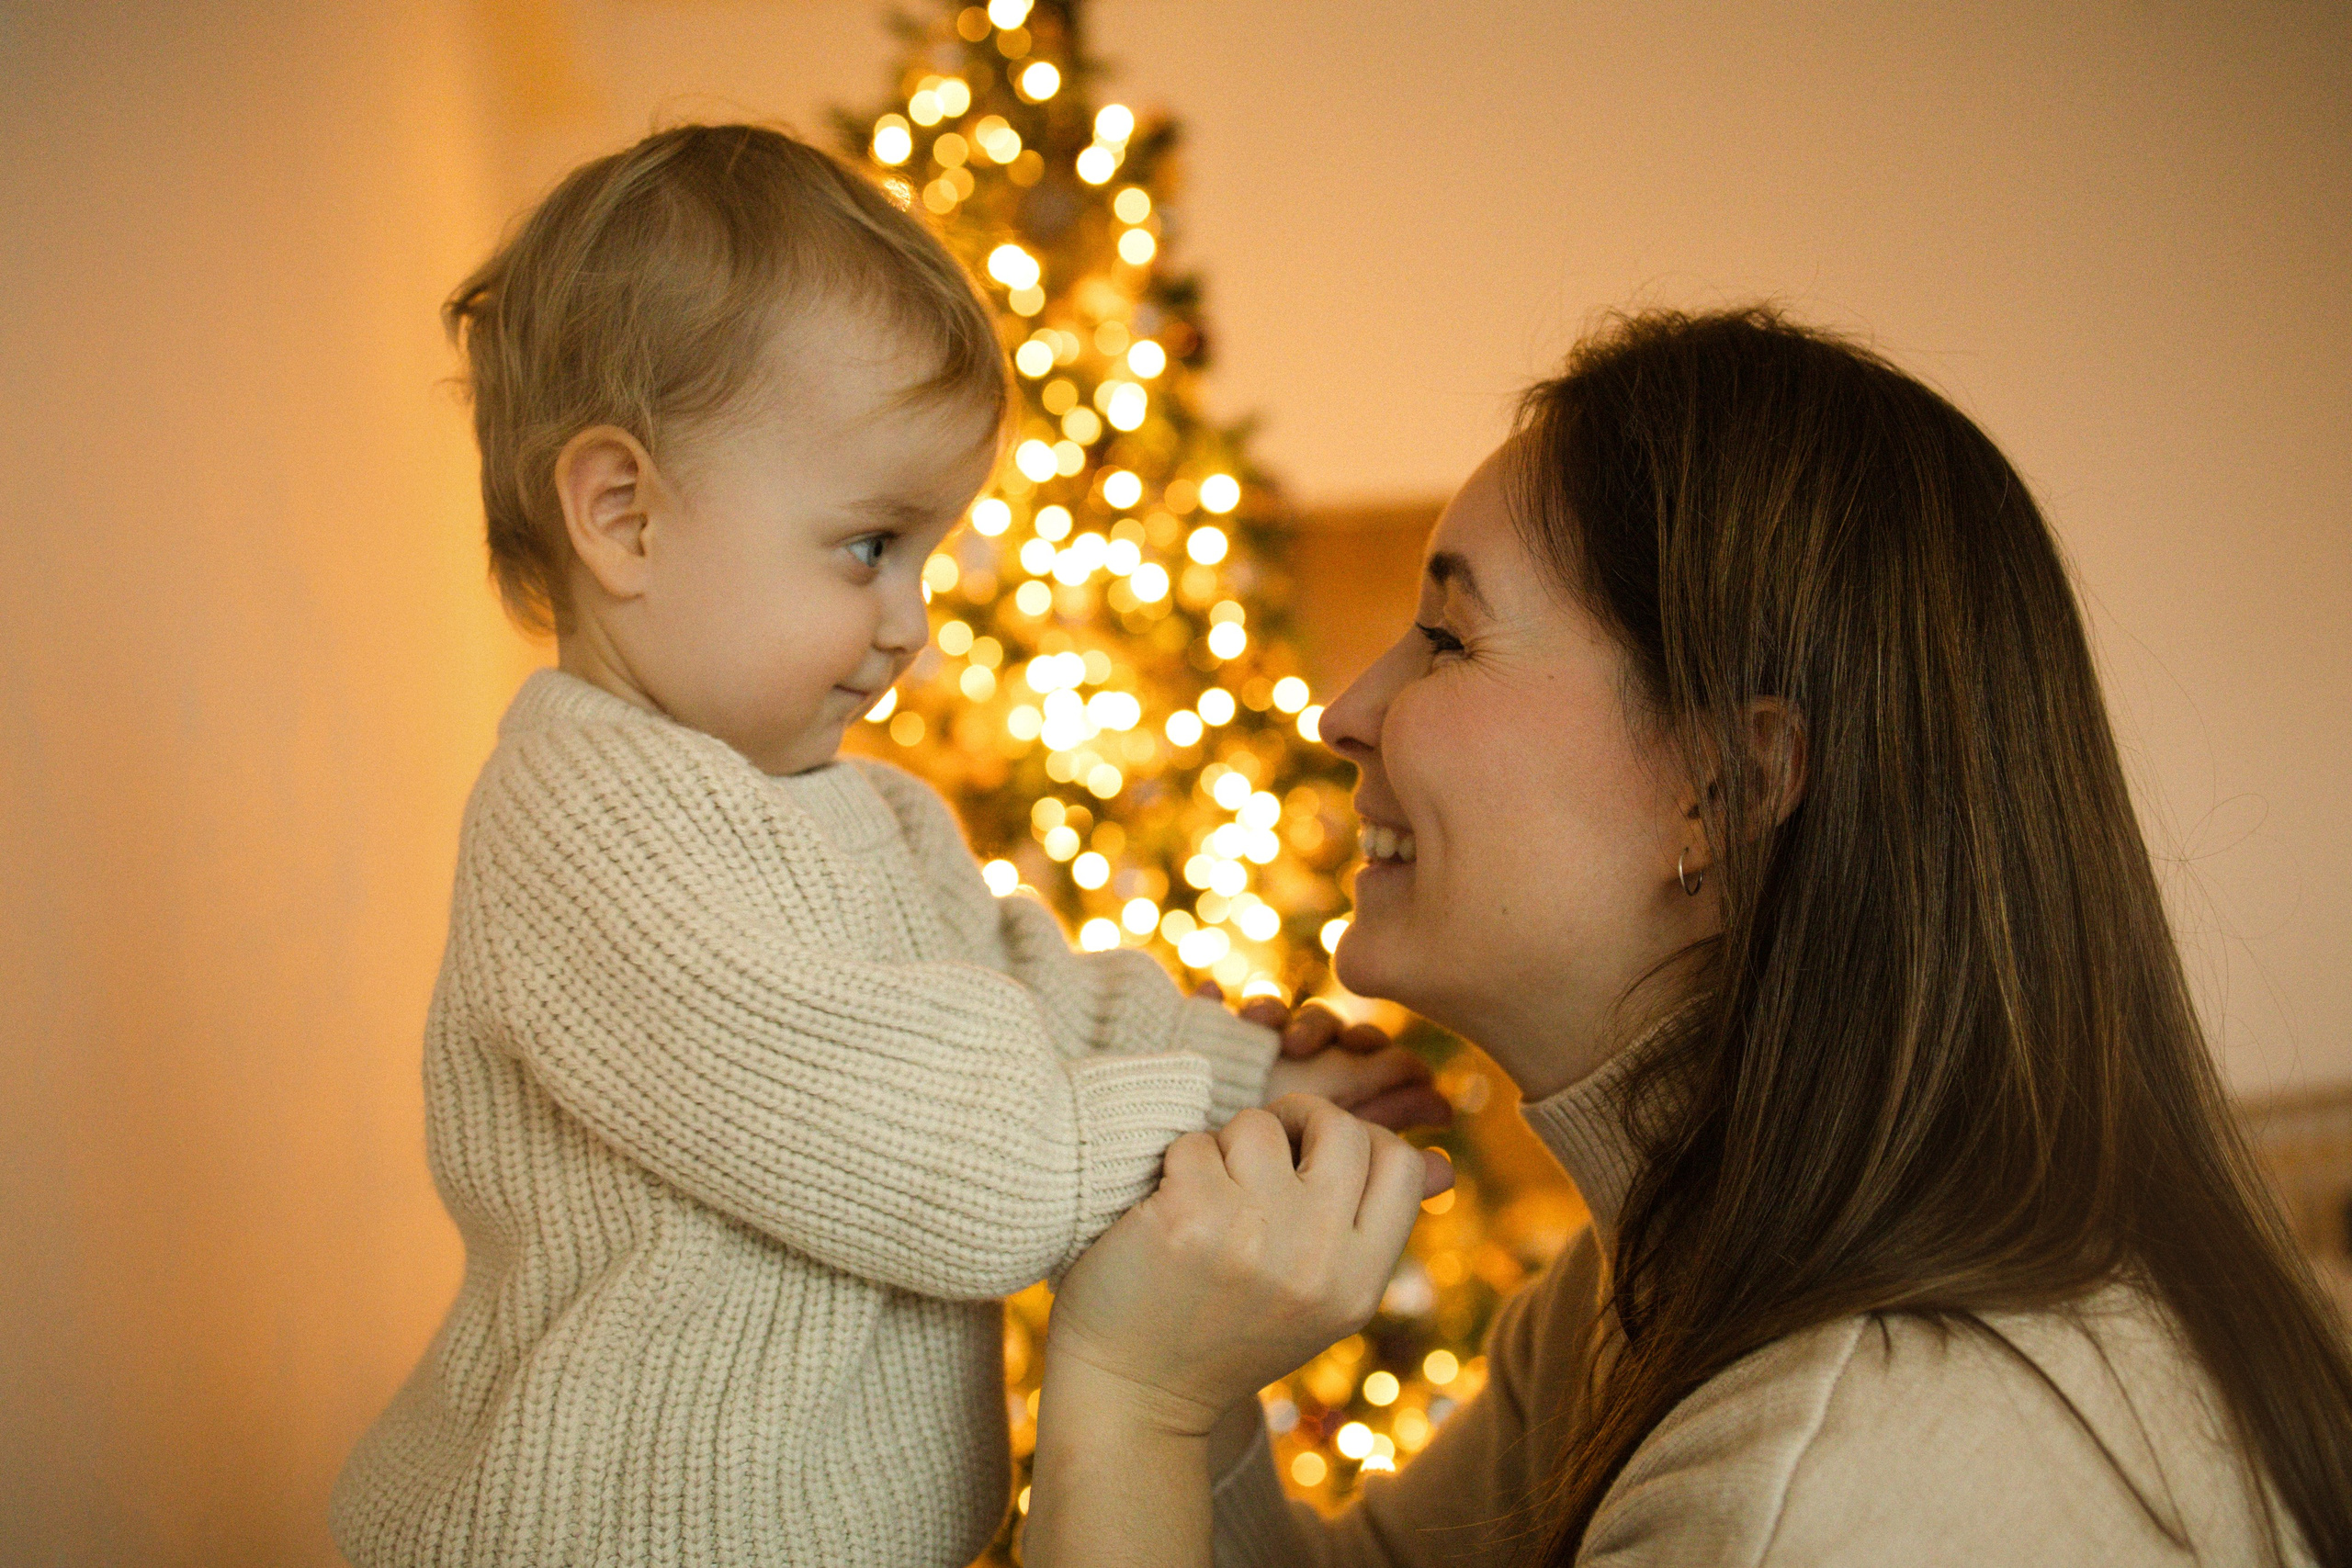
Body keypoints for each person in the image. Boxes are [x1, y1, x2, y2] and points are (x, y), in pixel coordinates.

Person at [1028, 308, 2352, 1567]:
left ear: (1725, 788)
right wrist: (1190, 1341)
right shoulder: (1643, 1294)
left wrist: (1132, 1404)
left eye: (1445, 639)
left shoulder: (1841, 1475)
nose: (1344, 711)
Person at [327, 123, 1445, 1568]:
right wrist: (1220, 1135)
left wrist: (1250, 1068)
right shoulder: (588, 827)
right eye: (870, 546)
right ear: (623, 516)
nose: (912, 620)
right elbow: (967, 1161)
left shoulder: (864, 809)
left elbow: (1028, 989)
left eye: (928, 554)